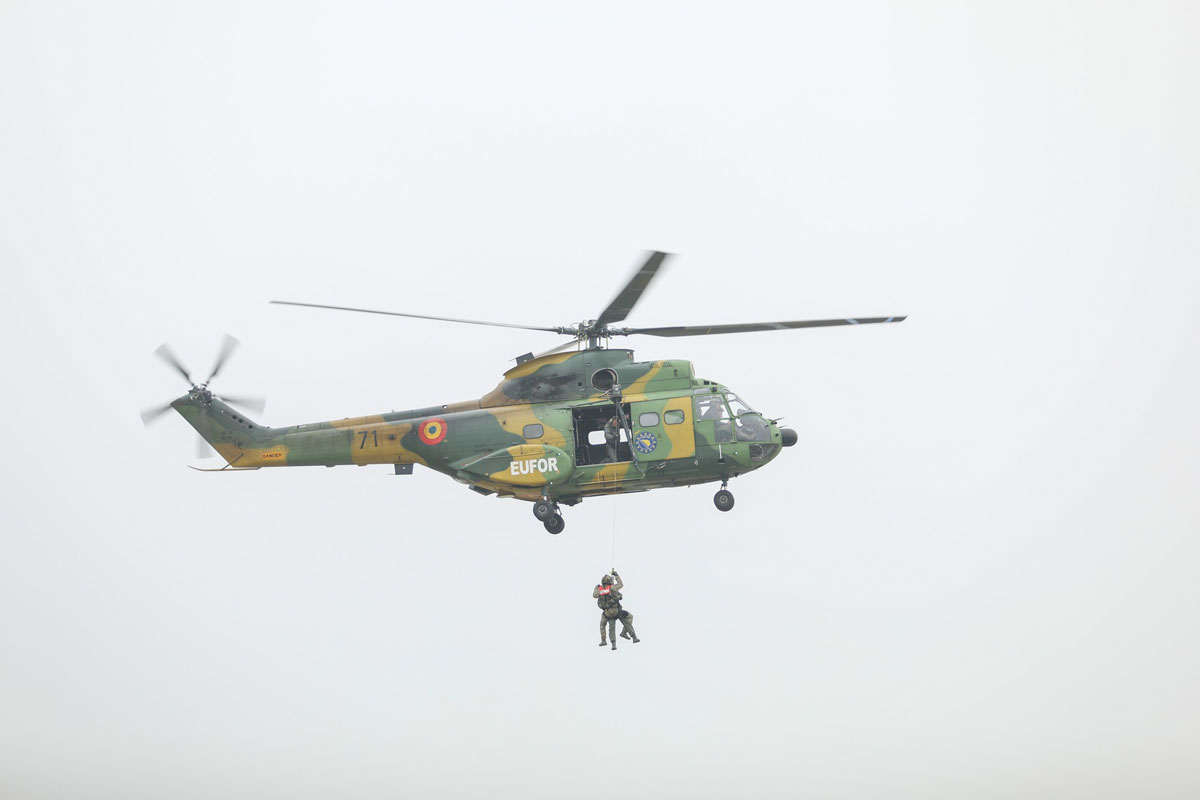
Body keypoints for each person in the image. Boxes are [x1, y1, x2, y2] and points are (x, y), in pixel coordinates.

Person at [593, 570, 639, 649]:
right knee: (627, 619)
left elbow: (594, 595)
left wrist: (596, 588)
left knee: (605, 625)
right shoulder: (612, 588)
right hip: (616, 611)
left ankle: (606, 642)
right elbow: (621, 584)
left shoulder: (600, 590)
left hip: (606, 613)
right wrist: (616, 575)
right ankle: (631, 635)